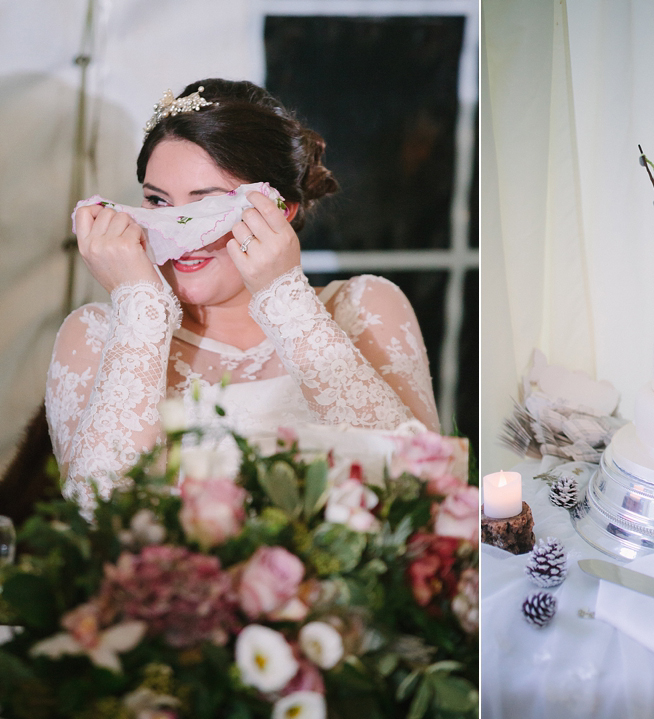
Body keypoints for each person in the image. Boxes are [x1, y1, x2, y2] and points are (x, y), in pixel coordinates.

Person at [45, 78, 441, 514]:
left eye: (206, 205)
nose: (180, 234)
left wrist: (286, 300)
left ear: (280, 209)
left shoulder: (366, 308)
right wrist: (138, 303)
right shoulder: (96, 335)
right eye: (158, 202)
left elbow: (425, 493)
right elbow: (96, 515)